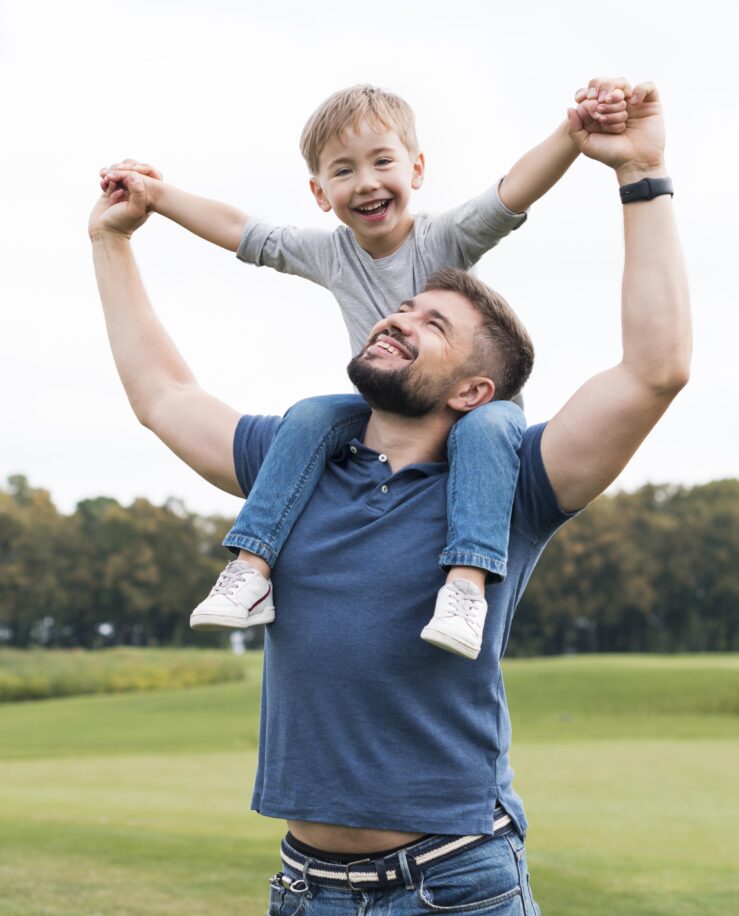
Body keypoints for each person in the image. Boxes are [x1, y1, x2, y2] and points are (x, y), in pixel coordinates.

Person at [91, 80, 690, 916]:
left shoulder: (512, 482)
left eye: (433, 321)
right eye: (403, 307)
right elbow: (162, 394)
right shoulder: (292, 470)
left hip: (458, 896)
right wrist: (113, 242)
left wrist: (641, 172)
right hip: (307, 904)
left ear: (474, 389)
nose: (398, 316)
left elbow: (655, 370)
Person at [99, 78, 630, 660]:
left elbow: (510, 193)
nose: (368, 182)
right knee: (313, 414)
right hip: (386, 412)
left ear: (417, 170)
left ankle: (466, 584)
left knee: (486, 427)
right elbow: (240, 231)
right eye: (343, 170)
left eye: (383, 161)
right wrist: (155, 194)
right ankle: (251, 568)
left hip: (473, 418)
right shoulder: (331, 253)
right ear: (321, 192)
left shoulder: (443, 239)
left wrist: (572, 136)